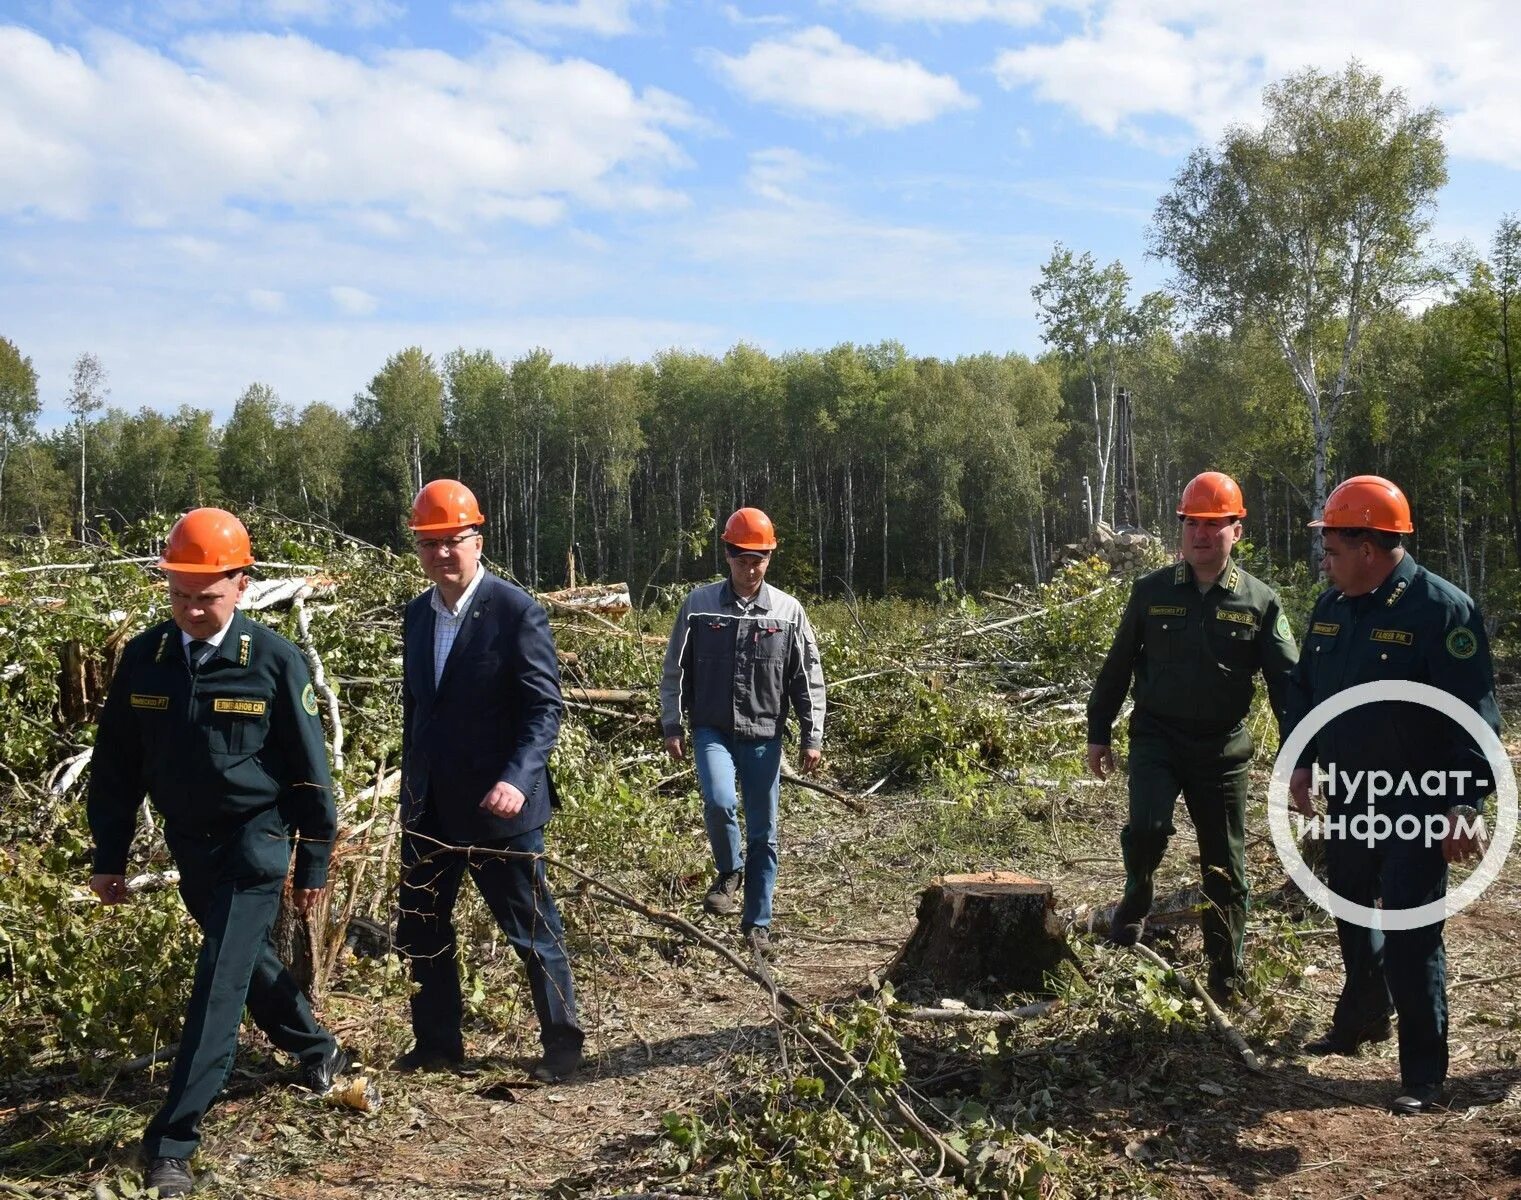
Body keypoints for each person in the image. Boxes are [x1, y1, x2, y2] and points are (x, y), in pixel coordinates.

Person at [87, 507, 346, 1199]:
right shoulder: (147, 657)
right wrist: (108, 855)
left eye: (207, 595)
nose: (193, 610)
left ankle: (173, 1142)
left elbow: (309, 772)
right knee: (246, 965)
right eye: (180, 595)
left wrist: (312, 862)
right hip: (191, 848)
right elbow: (116, 765)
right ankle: (317, 1049)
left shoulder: (270, 659)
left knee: (216, 989)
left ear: (240, 584)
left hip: (255, 843)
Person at [1286, 475, 1497, 1115]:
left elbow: (1475, 719)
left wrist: (1465, 803)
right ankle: (1361, 1018)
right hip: (1350, 793)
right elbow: (1305, 692)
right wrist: (1299, 761)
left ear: (1372, 548)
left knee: (1410, 931)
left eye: (1334, 547)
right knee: (1351, 910)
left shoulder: (1442, 611)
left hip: (1417, 801)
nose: (1325, 559)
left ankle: (1423, 1075)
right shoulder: (1331, 609)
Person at [393, 479, 584, 1082]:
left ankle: (562, 1043)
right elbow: (418, 708)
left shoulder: (515, 611)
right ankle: (437, 1044)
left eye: (453, 541)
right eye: (429, 544)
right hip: (431, 808)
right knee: (421, 924)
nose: (441, 554)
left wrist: (518, 780)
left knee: (530, 927)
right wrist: (409, 786)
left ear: (477, 540)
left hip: (500, 807)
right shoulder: (418, 615)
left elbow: (542, 709)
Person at [1085, 471, 1299, 1003]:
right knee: (1148, 830)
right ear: (1181, 529)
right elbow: (1116, 669)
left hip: (1222, 752)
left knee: (1225, 866)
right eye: (1191, 525)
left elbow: (1288, 686)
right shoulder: (1151, 592)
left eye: (1213, 525)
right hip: (1157, 739)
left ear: (1236, 531)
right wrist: (1099, 731)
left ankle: (1227, 973)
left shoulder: (1260, 602)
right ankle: (1136, 897)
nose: (1201, 535)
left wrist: (1302, 754)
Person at [659, 506, 826, 957]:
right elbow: (674, 668)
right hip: (711, 728)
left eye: (759, 558)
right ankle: (729, 870)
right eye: (741, 558)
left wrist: (813, 735)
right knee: (718, 800)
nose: (749, 567)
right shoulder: (698, 606)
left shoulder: (788, 612)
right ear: (727, 555)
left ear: (769, 558)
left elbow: (806, 676)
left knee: (764, 832)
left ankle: (757, 926)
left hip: (764, 732)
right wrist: (672, 724)